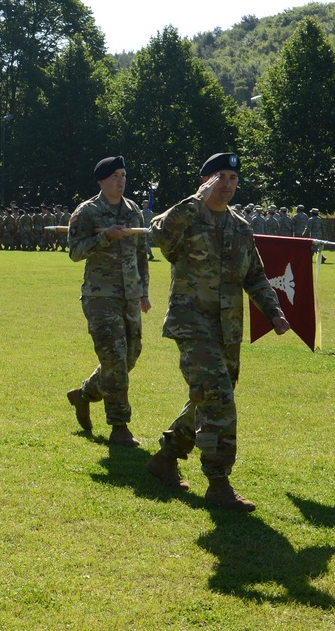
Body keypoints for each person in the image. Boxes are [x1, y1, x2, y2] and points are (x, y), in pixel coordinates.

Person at [145, 152, 290, 512]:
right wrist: (196, 198)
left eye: (232, 178)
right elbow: (158, 236)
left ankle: (166, 456)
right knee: (218, 398)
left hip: (227, 329)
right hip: (191, 324)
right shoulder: (187, 217)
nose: (226, 184)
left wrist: (274, 314)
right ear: (205, 181)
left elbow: (254, 276)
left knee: (207, 397)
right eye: (219, 177)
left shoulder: (240, 227)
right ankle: (218, 483)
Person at [65, 156, 151, 446]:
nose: (121, 180)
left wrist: (144, 291)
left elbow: (141, 254)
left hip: (130, 295)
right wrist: (104, 237)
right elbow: (75, 252)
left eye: (124, 174)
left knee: (130, 357)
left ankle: (85, 394)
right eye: (115, 175)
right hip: (100, 296)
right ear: (101, 180)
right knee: (114, 359)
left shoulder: (134, 211)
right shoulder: (87, 211)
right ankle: (119, 427)